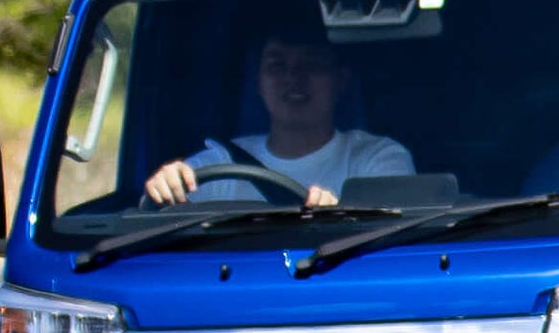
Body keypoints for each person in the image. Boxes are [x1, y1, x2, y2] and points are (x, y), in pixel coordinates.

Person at [144, 23, 414, 205]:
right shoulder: (222, 164)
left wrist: (344, 219)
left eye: (311, 64)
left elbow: (394, 251)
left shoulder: (377, 159)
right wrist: (167, 186)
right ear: (259, 82)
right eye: (277, 65)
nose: (293, 77)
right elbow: (153, 228)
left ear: (340, 80)